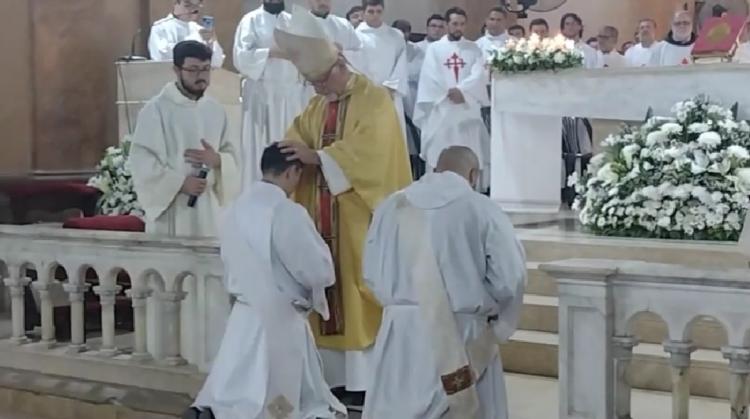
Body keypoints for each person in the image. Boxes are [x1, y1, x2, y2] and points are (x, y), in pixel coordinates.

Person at [274, 5, 412, 404]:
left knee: (356, 291)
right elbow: (296, 136)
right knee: (325, 291)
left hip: (357, 216)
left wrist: (321, 157)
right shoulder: (318, 106)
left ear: (337, 66)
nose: (315, 89)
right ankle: (332, 379)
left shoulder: (374, 99)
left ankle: (364, 381)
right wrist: (286, 154)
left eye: (318, 81)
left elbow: (376, 154)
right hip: (319, 215)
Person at [362, 146, 526, 419]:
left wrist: (401, 303)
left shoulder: (391, 206)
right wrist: (498, 321)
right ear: (473, 175)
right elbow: (511, 277)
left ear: (435, 169)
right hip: (462, 334)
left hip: (399, 334)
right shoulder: (481, 208)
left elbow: (370, 271)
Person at [188, 144, 347, 419]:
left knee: (232, 390)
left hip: (243, 316)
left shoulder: (234, 210)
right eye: (298, 176)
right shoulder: (286, 212)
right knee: (284, 403)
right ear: (291, 172)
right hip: (280, 319)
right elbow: (316, 271)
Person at [131, 40, 240, 237]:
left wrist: (217, 160)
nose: (201, 76)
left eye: (206, 69)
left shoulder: (216, 110)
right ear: (176, 70)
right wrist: (180, 183)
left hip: (209, 211)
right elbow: (142, 161)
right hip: (173, 209)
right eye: (193, 70)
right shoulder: (156, 110)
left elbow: (233, 154)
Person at [233, 0, 307, 188]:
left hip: (290, 94)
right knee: (259, 147)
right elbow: (240, 57)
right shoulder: (250, 20)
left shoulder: (293, 22)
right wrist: (271, 52)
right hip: (262, 94)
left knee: (289, 144)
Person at [415, 7, 490, 192]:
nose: (459, 28)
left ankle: (471, 190)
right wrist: (448, 93)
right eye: (455, 24)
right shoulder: (435, 49)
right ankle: (436, 191)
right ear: (447, 24)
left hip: (466, 109)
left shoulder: (473, 49)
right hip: (441, 110)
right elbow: (430, 76)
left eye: (462, 24)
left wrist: (462, 91)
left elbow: (479, 75)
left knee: (470, 152)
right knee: (440, 151)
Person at [356, 0, 409, 150]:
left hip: (390, 95)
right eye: (371, 12)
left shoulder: (395, 35)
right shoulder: (355, 36)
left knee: (392, 141)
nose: (375, 16)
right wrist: (368, 89)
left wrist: (391, 87)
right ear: (363, 12)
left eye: (379, 11)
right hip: (365, 96)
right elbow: (353, 66)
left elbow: (401, 63)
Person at [148, 0, 225, 68]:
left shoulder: (200, 30)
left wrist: (210, 43)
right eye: (188, 5)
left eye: (197, 5)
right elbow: (161, 57)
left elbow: (217, 63)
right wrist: (193, 41)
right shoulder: (161, 28)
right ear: (175, 3)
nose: (193, 10)